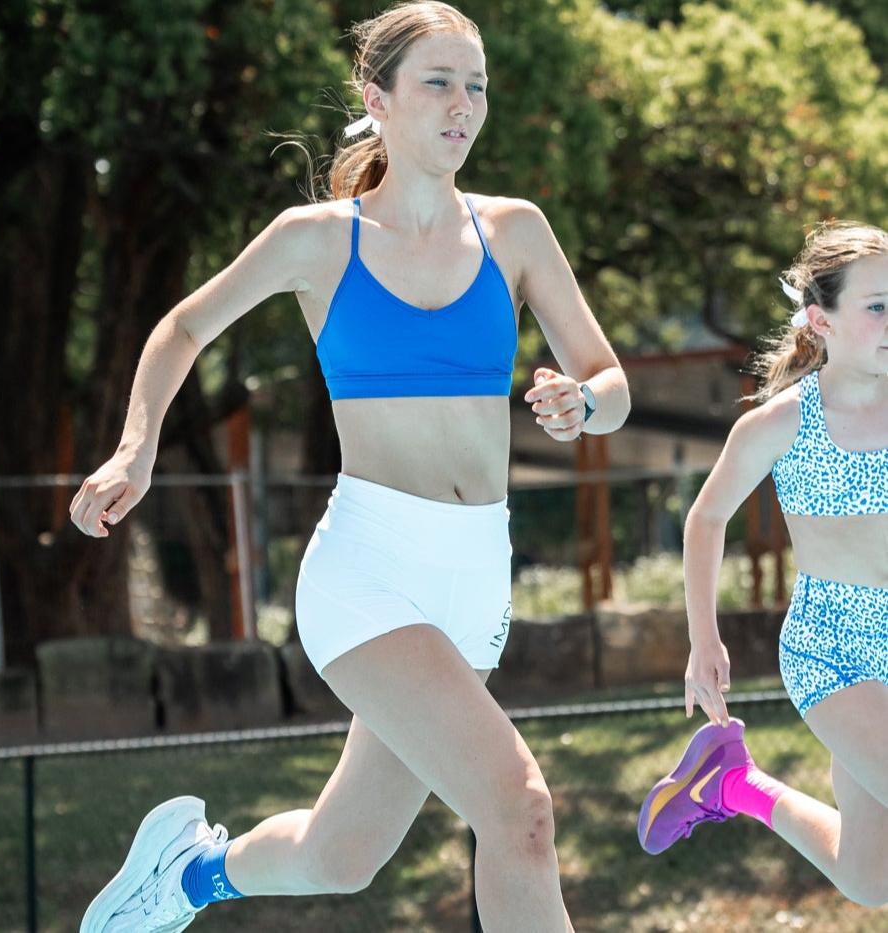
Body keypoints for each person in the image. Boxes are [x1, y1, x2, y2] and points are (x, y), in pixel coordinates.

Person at [70, 2, 631, 930]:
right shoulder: (316, 239)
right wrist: (137, 446)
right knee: (520, 811)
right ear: (377, 98)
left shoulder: (516, 231)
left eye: (476, 86)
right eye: (438, 83)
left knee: (344, 852)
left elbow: (608, 378)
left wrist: (584, 404)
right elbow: (183, 328)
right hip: (369, 572)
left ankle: (188, 875)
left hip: (475, 583)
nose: (463, 105)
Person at [637, 221, 888, 908]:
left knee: (870, 878)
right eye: (876, 305)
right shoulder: (781, 424)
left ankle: (729, 783)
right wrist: (702, 638)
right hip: (833, 651)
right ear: (821, 320)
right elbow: (705, 518)